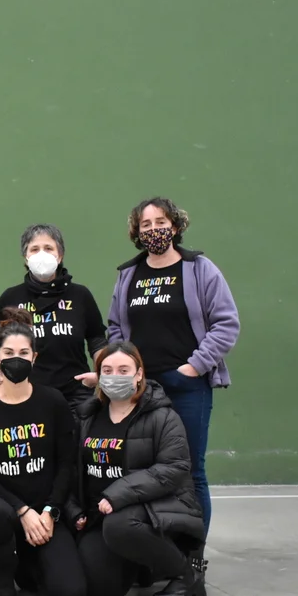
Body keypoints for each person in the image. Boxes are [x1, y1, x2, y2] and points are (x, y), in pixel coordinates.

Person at [106, 197, 239, 542]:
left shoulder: (200, 269)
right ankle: (153, 550)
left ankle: (192, 555)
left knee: (190, 471)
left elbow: (226, 324)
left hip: (187, 387)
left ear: (175, 226)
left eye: (161, 222)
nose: (154, 230)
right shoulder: (128, 275)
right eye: (146, 225)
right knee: (141, 470)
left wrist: (194, 367)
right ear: (137, 232)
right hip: (141, 391)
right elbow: (115, 328)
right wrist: (125, 372)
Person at [65, 341, 206, 596]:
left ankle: (186, 574)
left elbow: (174, 467)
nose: (114, 377)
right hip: (100, 517)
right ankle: (144, 567)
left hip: (150, 510)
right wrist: (75, 510)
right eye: (107, 370)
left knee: (120, 525)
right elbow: (72, 469)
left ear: (139, 374)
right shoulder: (87, 416)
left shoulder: (162, 416)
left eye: (123, 370)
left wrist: (116, 495)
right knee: (98, 590)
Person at [0, 309, 84, 596]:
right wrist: (22, 510)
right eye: (8, 353)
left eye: (23, 353)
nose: (15, 359)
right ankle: (3, 572)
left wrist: (50, 511)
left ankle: (29, 565)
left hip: (47, 514)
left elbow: (66, 463)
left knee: (70, 595)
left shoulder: (53, 401)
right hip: (6, 510)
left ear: (34, 357)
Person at [0, 223, 107, 412]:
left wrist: (100, 375)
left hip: (75, 399)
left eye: (49, 248)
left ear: (60, 255)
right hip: (24, 397)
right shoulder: (11, 298)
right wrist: (0, 379)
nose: (41, 254)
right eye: (34, 249)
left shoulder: (80, 295)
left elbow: (97, 340)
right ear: (26, 257)